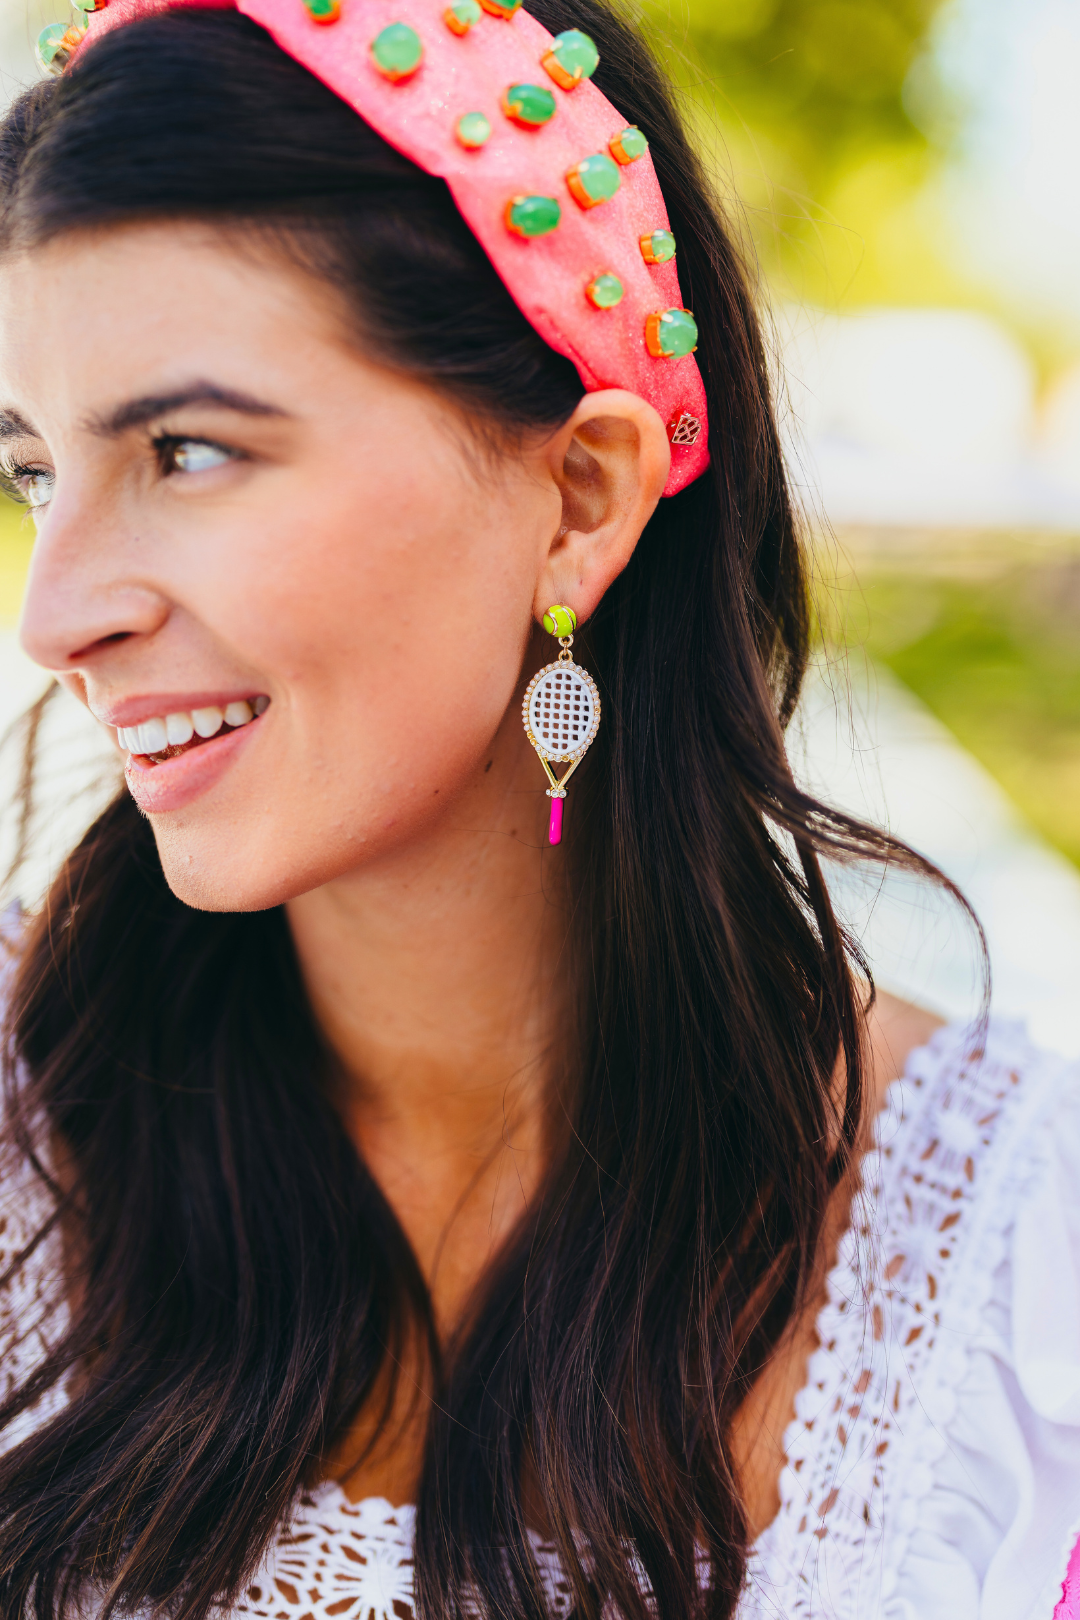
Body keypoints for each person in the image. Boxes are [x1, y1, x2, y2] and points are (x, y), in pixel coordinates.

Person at [0, 1, 1077, 1615]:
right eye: (30, 473)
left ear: (579, 499)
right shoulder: (32, 1141)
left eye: (193, 451)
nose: (57, 608)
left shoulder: (1014, 1285)